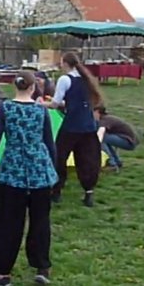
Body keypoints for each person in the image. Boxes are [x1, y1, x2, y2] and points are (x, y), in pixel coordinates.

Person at [0, 71, 58, 286]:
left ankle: (3, 273)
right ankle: (42, 268)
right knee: (40, 221)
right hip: (39, 172)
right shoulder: (41, 111)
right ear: (33, 88)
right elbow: (49, 143)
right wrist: (53, 172)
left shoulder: (6, 109)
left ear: (15, 86)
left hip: (12, 173)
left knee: (7, 224)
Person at [38, 53, 103, 207]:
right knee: (87, 159)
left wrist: (40, 103)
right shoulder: (86, 79)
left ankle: (57, 191)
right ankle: (88, 192)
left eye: (61, 62)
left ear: (66, 63)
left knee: (59, 157)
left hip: (72, 126)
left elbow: (55, 104)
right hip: (88, 125)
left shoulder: (65, 79)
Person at [94, 105, 139, 171]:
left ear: (97, 112)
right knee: (104, 139)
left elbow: (100, 134)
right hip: (130, 140)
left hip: (129, 141)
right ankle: (117, 162)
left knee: (102, 138)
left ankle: (111, 164)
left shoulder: (105, 120)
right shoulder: (106, 118)